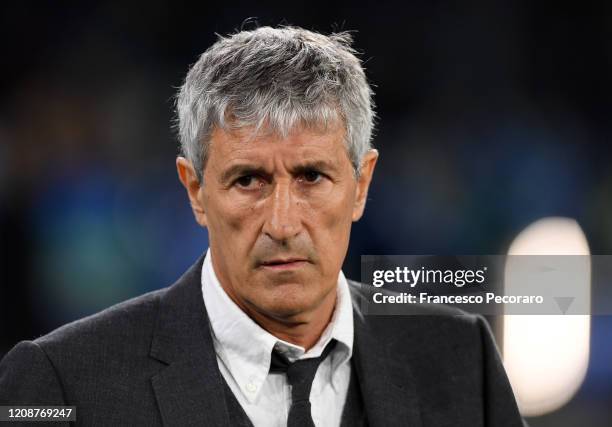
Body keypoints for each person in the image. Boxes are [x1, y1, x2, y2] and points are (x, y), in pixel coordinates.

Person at [0, 26, 524, 426]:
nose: (282, 222)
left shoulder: (461, 358)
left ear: (361, 184)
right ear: (195, 191)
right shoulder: (61, 381)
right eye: (249, 180)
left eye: (312, 176)